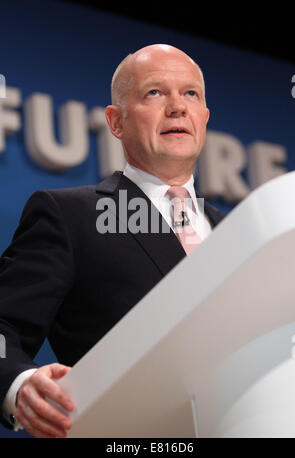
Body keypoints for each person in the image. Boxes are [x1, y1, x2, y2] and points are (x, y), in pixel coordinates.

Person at [0, 44, 226, 438]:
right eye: (155, 93)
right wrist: (18, 384)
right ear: (116, 121)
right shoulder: (69, 216)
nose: (178, 107)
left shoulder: (237, 234)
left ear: (204, 117)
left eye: (190, 93)